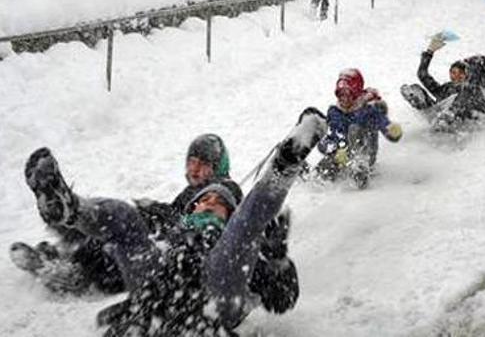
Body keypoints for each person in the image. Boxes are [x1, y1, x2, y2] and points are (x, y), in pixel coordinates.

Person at [22, 108, 327, 337]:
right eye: (202, 202)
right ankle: (70, 209)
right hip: (162, 285)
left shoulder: (238, 243)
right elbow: (136, 234)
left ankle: (285, 165)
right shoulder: (178, 229)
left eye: (217, 204)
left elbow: (283, 299)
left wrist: (276, 261)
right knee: (126, 220)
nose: (207, 204)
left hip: (215, 291)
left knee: (245, 228)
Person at [9, 134, 243, 296]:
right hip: (160, 248)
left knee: (117, 229)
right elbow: (178, 216)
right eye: (191, 162)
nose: (194, 169)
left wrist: (162, 218)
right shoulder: (192, 193)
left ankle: (69, 269)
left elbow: (204, 229)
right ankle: (63, 212)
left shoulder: (223, 190)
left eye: (203, 164)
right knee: (106, 229)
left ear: (218, 167)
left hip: (170, 263)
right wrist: (156, 210)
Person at [315, 69, 402, 189]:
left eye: (348, 94)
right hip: (344, 155)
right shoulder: (335, 112)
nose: (343, 98)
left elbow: (381, 121)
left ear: (355, 93)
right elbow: (329, 137)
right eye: (340, 94)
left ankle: (360, 169)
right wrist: (334, 150)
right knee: (327, 164)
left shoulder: (368, 109)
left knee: (354, 129)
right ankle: (315, 176)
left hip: (365, 154)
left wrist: (390, 129)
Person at [400, 35, 485, 131]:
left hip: (465, 119)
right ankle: (419, 102)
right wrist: (430, 51)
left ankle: (449, 115)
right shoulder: (446, 89)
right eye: (453, 72)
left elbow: (484, 105)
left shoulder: (474, 88)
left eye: (461, 73)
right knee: (415, 88)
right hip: (440, 117)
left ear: (467, 75)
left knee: (467, 89)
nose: (456, 76)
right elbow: (422, 74)